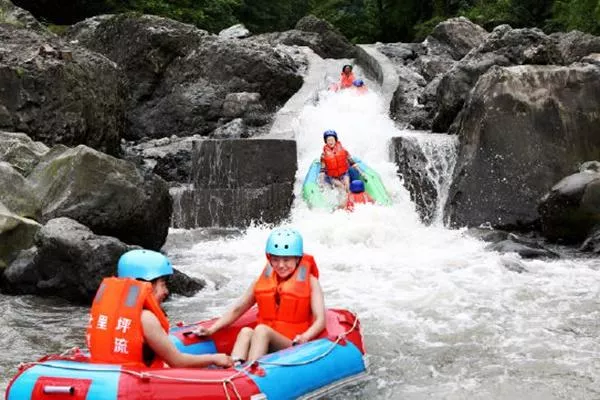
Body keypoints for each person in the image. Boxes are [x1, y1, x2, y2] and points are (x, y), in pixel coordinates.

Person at [193, 228, 326, 366]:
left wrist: (305, 337)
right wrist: (211, 329)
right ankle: (234, 367)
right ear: (269, 259)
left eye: (286, 260)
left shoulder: (311, 282)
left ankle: (250, 369)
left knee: (262, 330)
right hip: (263, 341)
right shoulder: (262, 281)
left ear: (297, 259)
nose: (281, 265)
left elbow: (320, 320)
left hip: (292, 344)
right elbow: (238, 309)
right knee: (246, 331)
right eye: (275, 260)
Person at [87, 249, 232, 369]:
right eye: (162, 284)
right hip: (135, 387)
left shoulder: (108, 313)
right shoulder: (146, 318)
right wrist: (214, 358)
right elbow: (177, 361)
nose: (166, 291)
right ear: (147, 285)